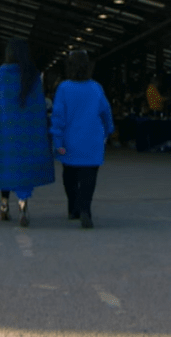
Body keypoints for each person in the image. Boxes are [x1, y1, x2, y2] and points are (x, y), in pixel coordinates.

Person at [0, 38, 54, 227]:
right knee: (24, 170)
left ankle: (4, 205)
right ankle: (23, 204)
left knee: (5, 167)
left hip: (5, 132)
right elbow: (39, 108)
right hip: (27, 133)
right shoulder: (33, 75)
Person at [50, 49, 114, 229]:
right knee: (89, 177)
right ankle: (86, 209)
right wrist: (109, 130)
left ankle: (73, 208)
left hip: (70, 141)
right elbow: (106, 112)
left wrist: (57, 140)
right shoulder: (96, 87)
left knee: (69, 175)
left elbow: (58, 116)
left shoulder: (63, 88)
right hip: (92, 140)